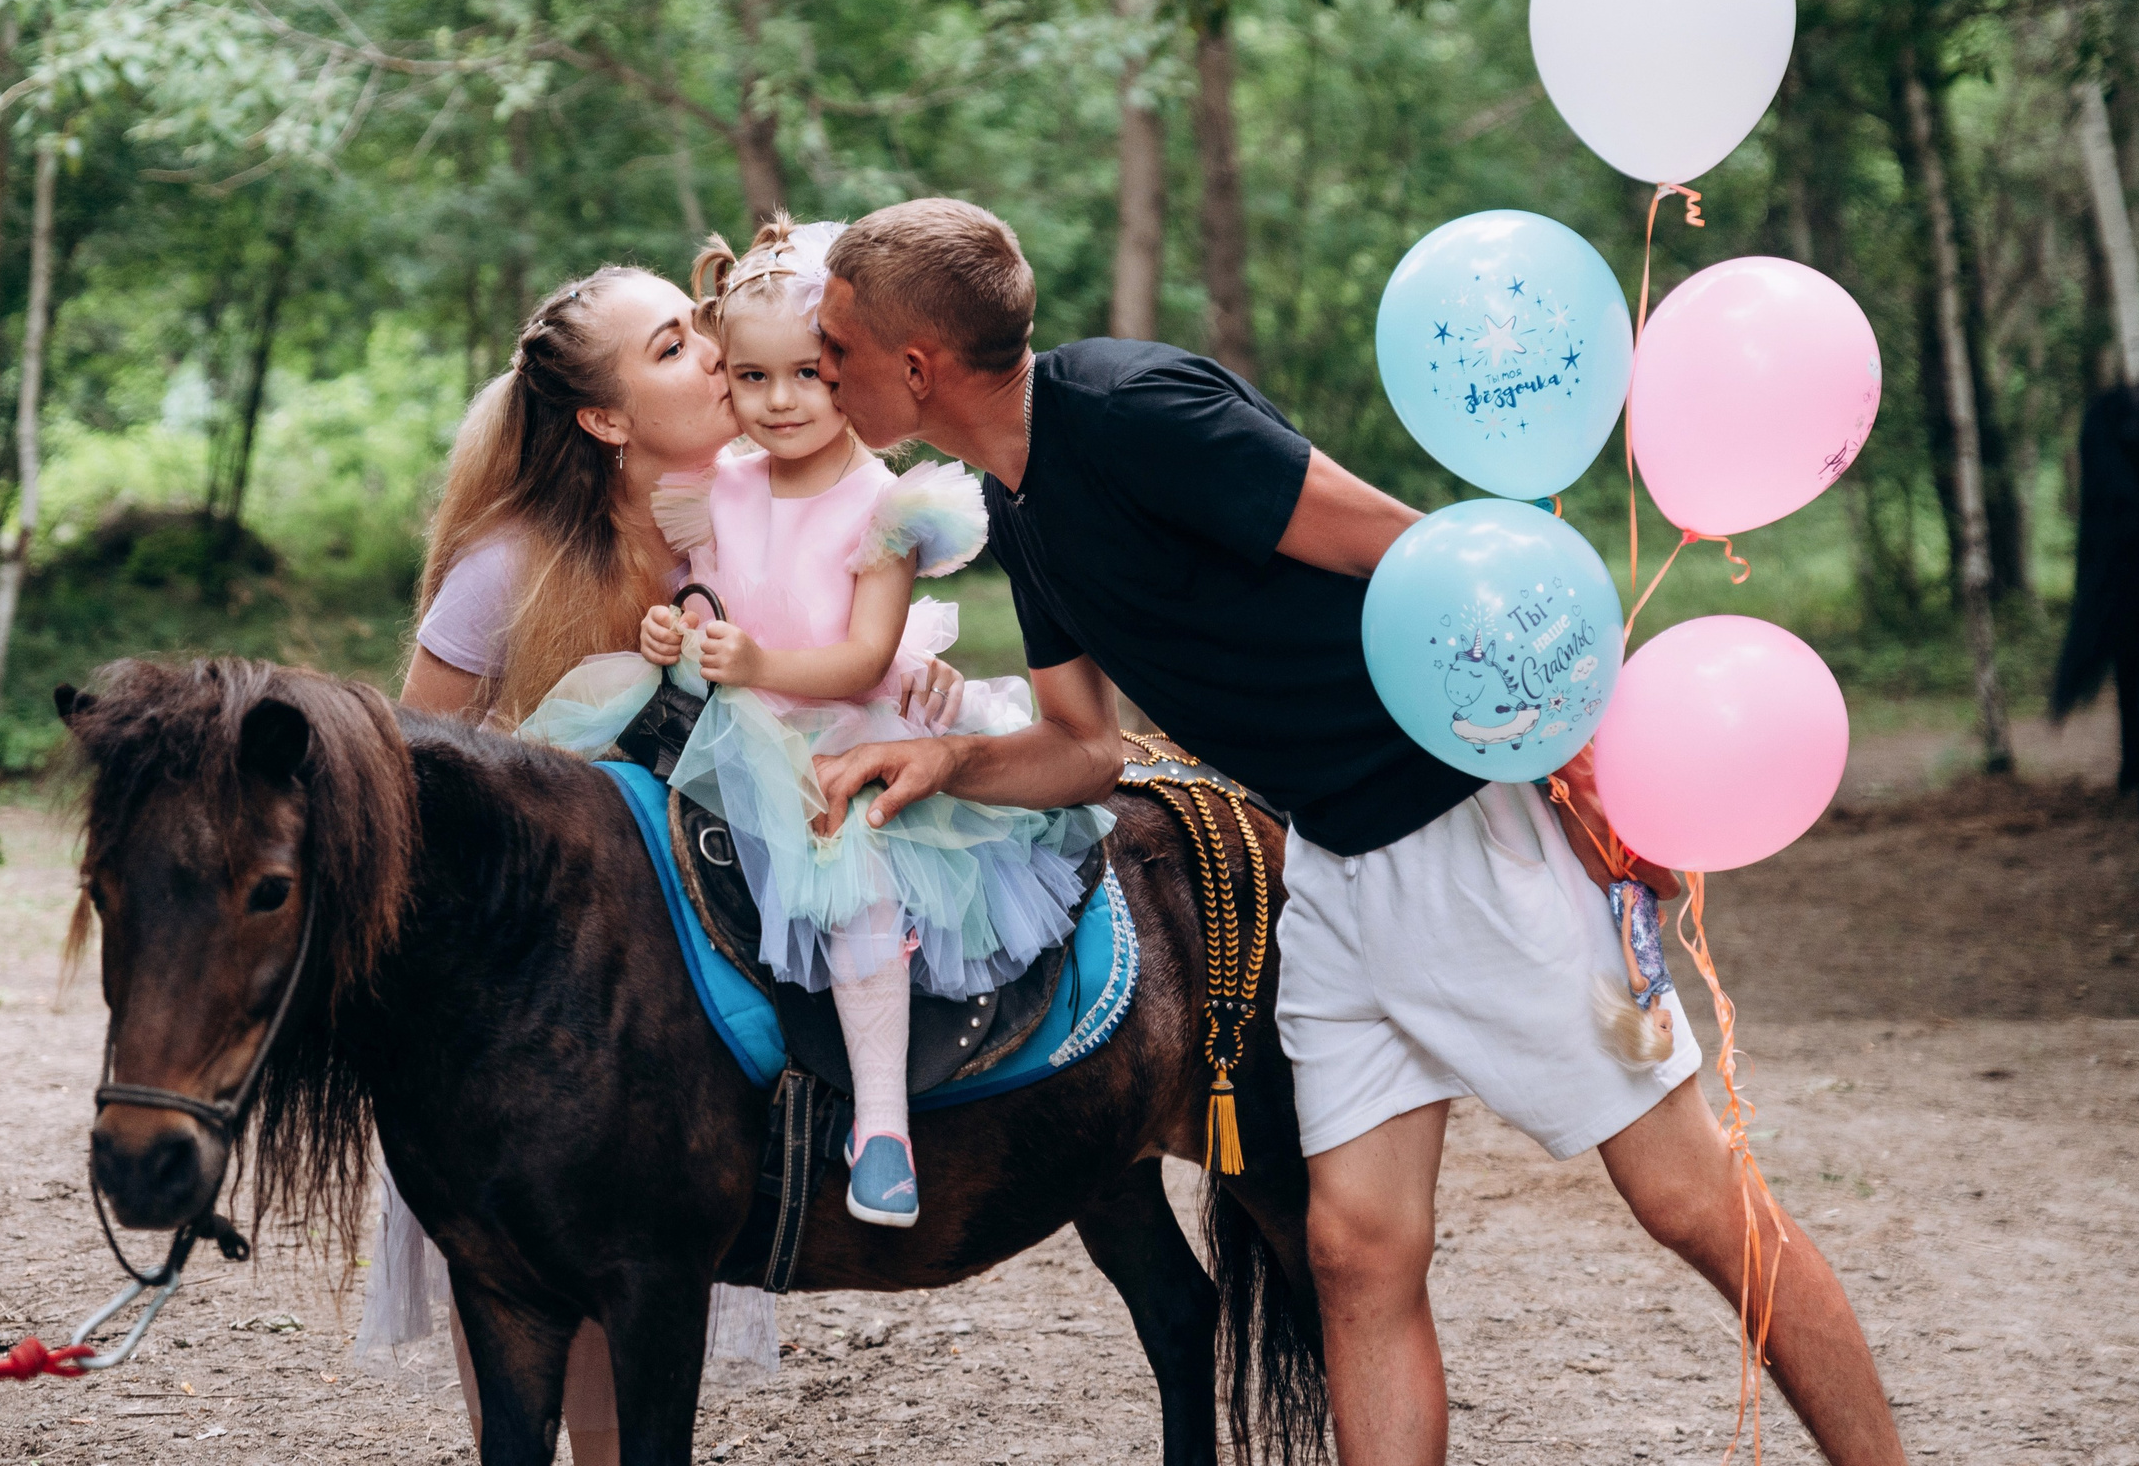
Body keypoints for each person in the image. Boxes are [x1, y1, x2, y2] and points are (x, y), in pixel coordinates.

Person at [804, 198, 1910, 1466]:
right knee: (1354, 1247)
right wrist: (948, 757)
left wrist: (1576, 754)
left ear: (916, 367)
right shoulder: (1018, 503)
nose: (819, 369)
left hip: (1458, 830)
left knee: (1687, 1197)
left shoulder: (1133, 412)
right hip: (1325, 860)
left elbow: (1410, 547)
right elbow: (1084, 748)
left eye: (834, 347)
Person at [360, 262, 967, 1457]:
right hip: (533, 997)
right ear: (606, 418)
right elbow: (405, 778)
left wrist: (909, 665)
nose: (715, 355)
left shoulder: (737, 507)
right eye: (676, 346)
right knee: (539, 1306)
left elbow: (826, 621)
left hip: (671, 982)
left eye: (702, 331)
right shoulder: (512, 568)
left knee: (636, 1295)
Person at [524, 217, 1107, 1227]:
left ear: (844, 370)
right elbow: (709, 598)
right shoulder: (713, 488)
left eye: (806, 374)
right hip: (728, 726)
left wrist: (757, 663)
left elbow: (864, 659)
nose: (781, 401)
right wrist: (676, 630)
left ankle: (881, 1123)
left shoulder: (884, 506)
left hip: (840, 726)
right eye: (752, 378)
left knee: (852, 884)